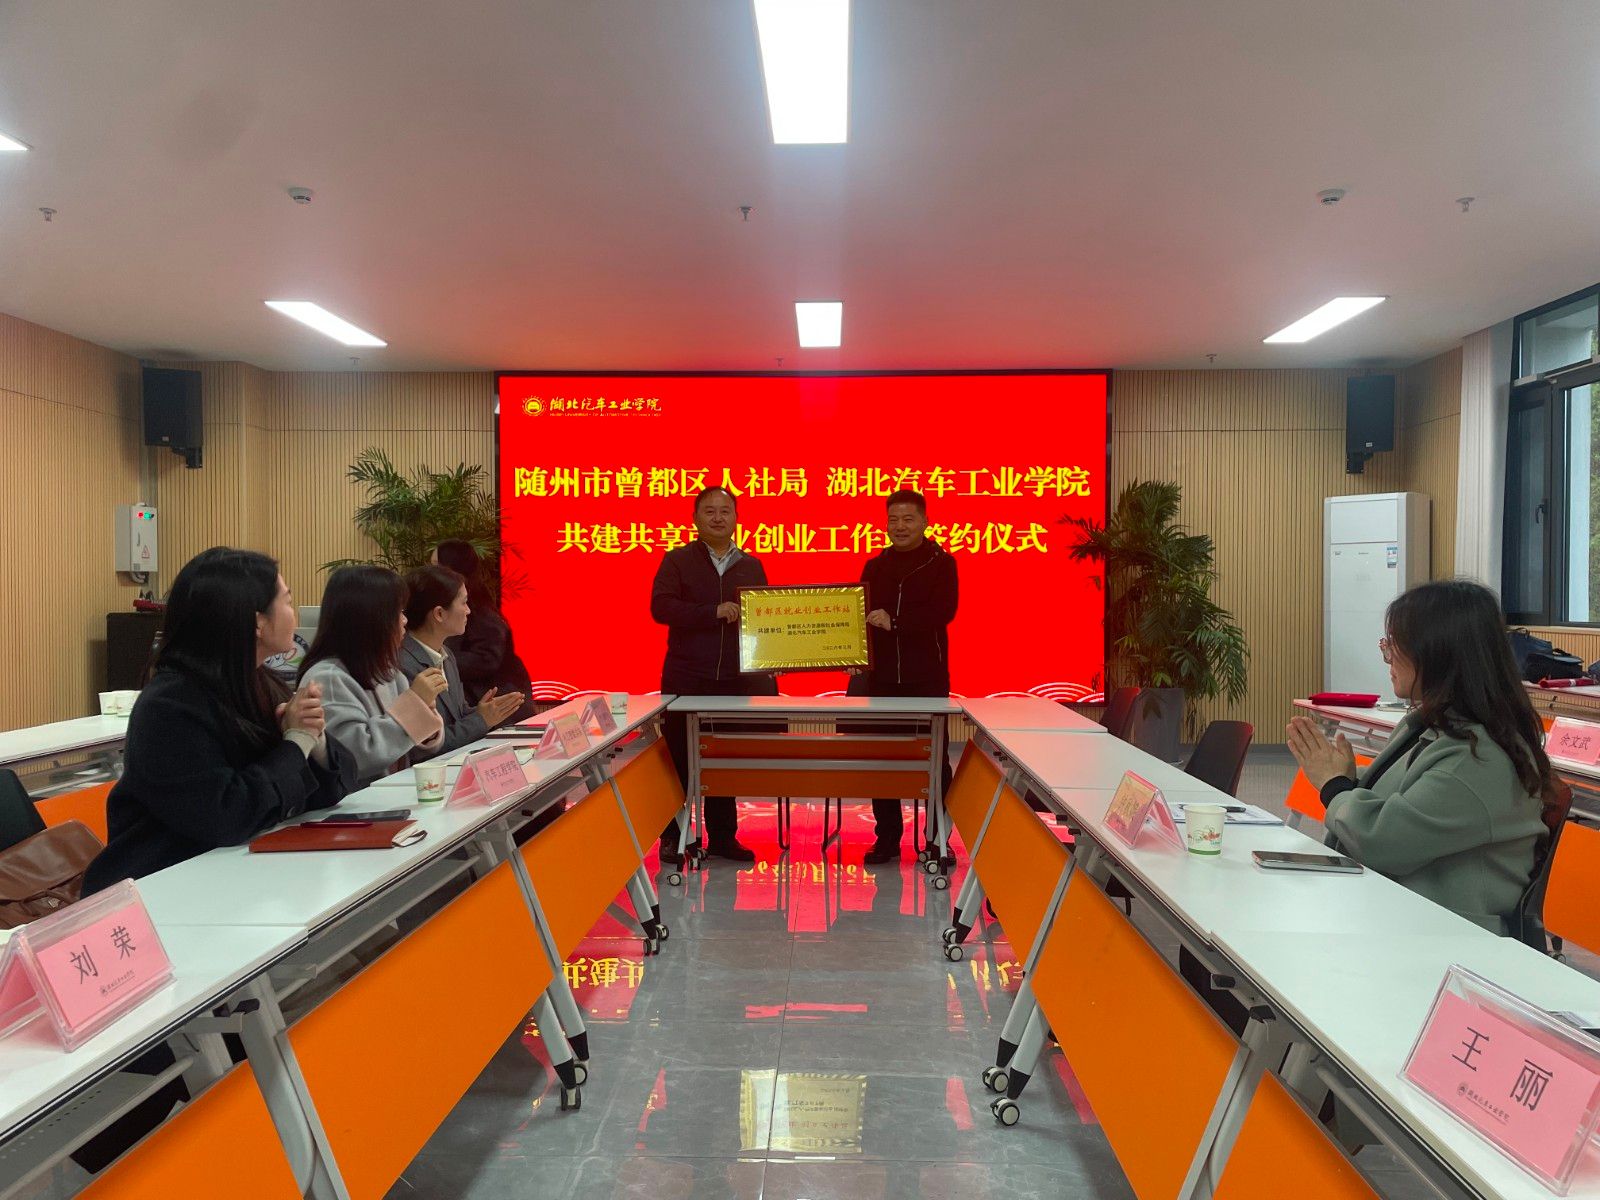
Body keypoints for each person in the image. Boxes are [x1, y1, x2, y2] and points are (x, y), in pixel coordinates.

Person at [83, 548, 359, 893]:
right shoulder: (170, 706)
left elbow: (337, 786)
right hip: (163, 890)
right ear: (258, 622)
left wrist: (314, 740)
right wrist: (295, 744)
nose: (293, 614)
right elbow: (226, 815)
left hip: (240, 879)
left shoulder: (262, 682)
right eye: (287, 602)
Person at [1287, 579, 1553, 935]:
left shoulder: (1477, 759)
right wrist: (1350, 784)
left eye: (1396, 645)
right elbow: (1402, 812)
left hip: (1449, 940)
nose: (1387, 657)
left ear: (1437, 653)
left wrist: (1334, 786)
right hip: (1400, 917)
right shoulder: (1430, 727)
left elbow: (1383, 843)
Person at [651, 485, 773, 863]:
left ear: (736, 518)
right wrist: (711, 612)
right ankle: (673, 837)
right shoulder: (677, 561)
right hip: (686, 678)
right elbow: (661, 607)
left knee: (722, 760)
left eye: (725, 511)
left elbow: (764, 621)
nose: (718, 517)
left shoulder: (751, 565)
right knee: (678, 761)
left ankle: (723, 838)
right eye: (710, 511)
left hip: (734, 682)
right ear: (695, 518)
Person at [853, 489, 960, 865]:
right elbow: (859, 617)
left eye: (908, 519)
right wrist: (854, 653)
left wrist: (895, 622)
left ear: (925, 522)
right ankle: (886, 838)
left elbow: (943, 611)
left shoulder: (941, 563)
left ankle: (938, 840)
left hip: (926, 679)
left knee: (935, 763)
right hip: (881, 681)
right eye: (893, 520)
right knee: (883, 760)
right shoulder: (875, 566)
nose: (900, 526)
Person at [299, 565, 447, 788]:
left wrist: (425, 711)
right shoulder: (327, 678)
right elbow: (354, 756)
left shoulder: (390, 674)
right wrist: (416, 704)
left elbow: (413, 749)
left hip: (392, 798)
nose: (405, 621)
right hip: (355, 805)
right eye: (398, 612)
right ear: (371, 618)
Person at [401, 564, 526, 756]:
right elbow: (426, 747)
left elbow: (458, 716)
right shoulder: (403, 665)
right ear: (439, 614)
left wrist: (486, 712)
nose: (468, 611)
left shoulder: (447, 655)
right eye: (464, 603)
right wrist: (482, 720)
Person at [433, 540, 536, 722]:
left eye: (435, 566)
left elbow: (487, 659)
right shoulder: (449, 606)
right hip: (479, 708)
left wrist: (440, 661)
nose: (429, 573)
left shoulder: (479, 610)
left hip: (499, 706)